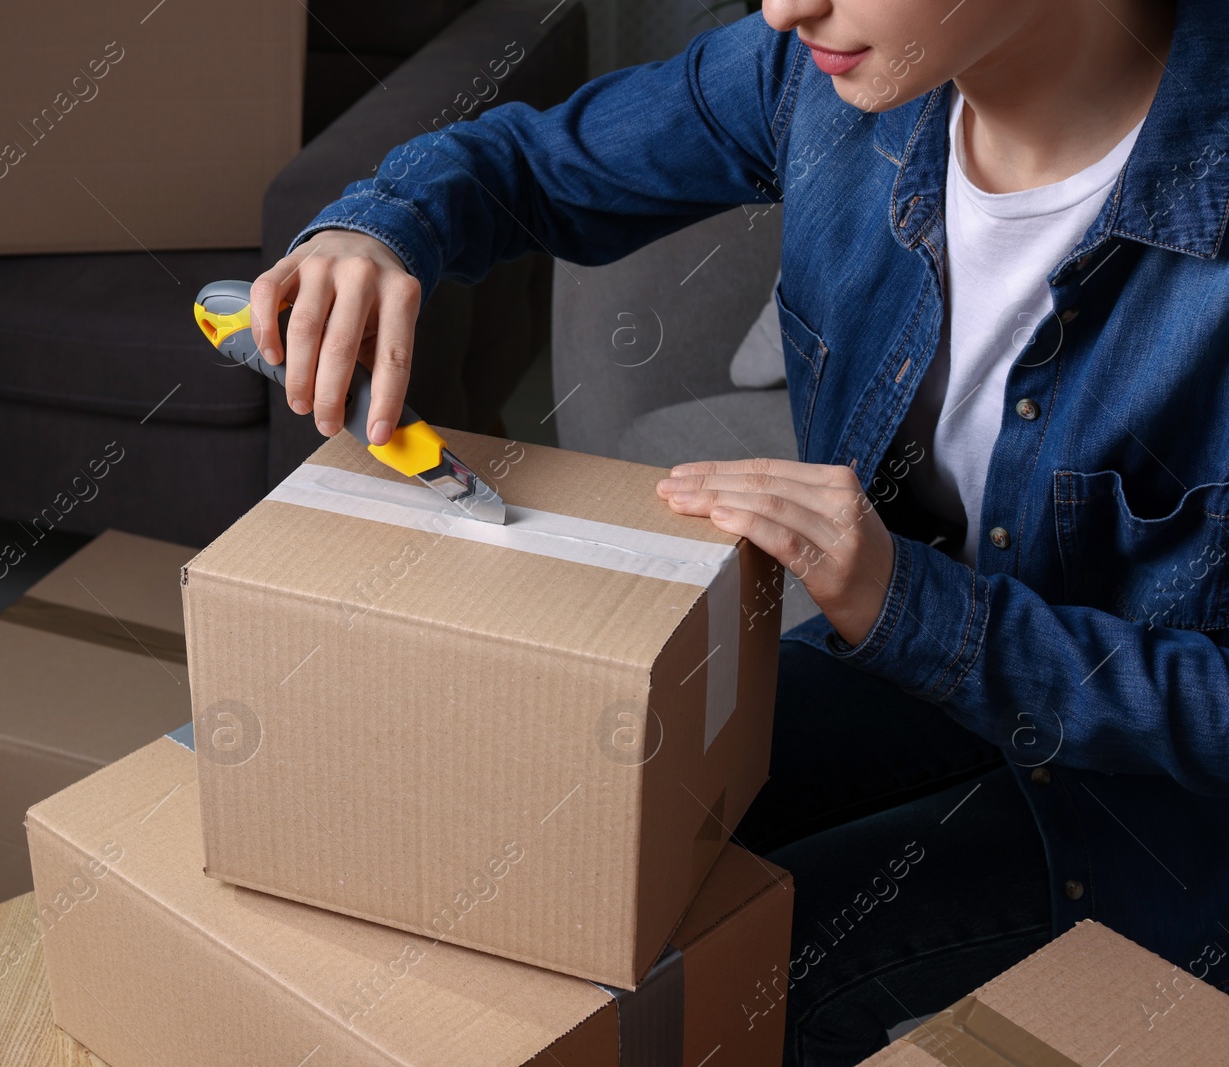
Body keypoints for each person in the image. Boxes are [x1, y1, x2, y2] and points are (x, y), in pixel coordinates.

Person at [247, 0, 1229, 1061]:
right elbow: (525, 164)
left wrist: (911, 607)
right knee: (567, 846)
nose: (782, 5)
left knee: (735, 979)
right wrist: (378, 227)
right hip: (917, 668)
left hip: (1165, 815)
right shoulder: (814, 77)